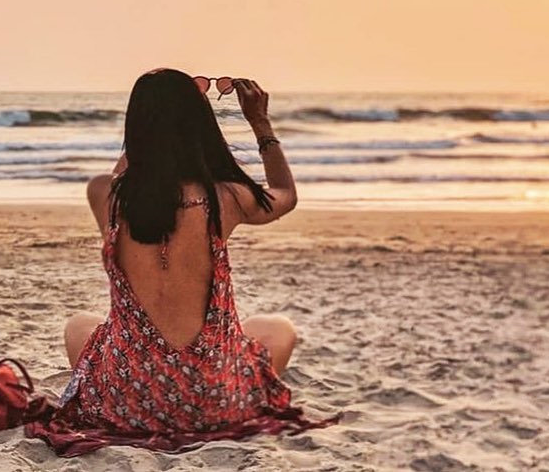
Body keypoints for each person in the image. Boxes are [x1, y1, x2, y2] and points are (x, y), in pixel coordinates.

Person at [25, 69, 337, 456]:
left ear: (135, 125)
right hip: (213, 402)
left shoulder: (105, 194)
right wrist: (260, 124)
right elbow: (285, 195)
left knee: (79, 326)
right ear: (200, 125)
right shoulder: (227, 198)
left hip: (127, 402)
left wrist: (151, 124)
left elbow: (126, 170)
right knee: (277, 328)